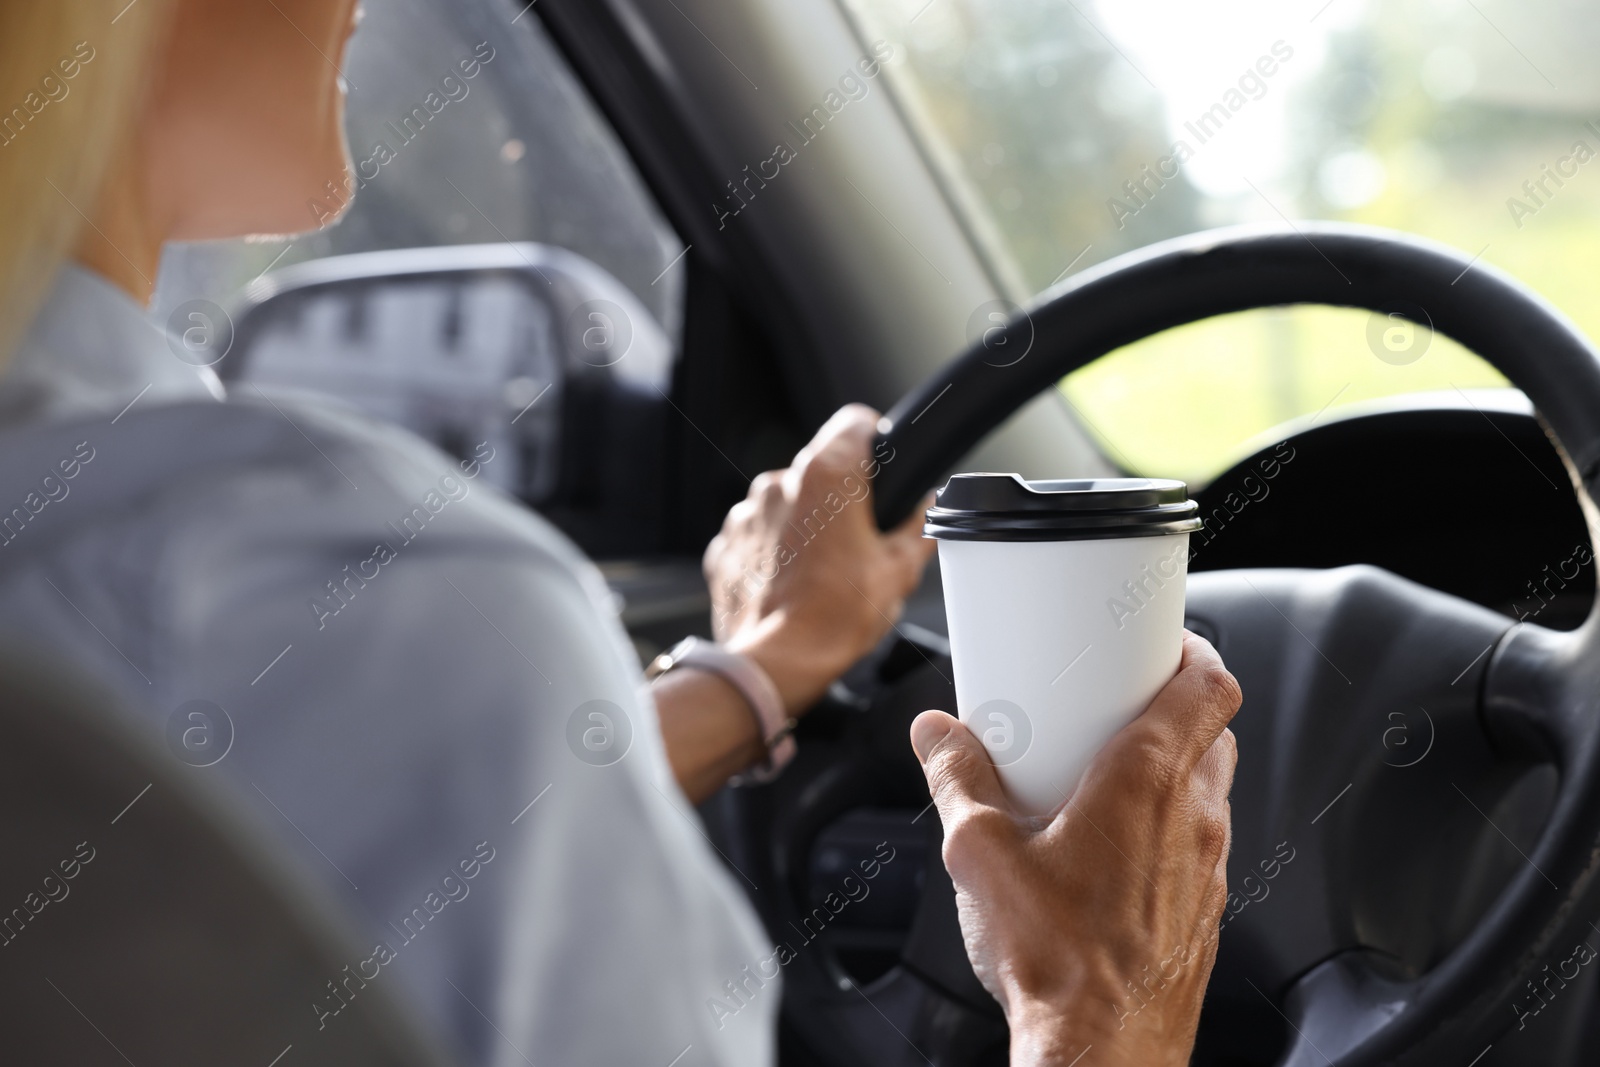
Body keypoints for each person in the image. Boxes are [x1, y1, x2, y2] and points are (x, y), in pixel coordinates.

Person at [0, 2, 1241, 1066]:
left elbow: (322, 834)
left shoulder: (215, 609)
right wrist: (1096, 1006)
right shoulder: (368, 597)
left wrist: (758, 667)